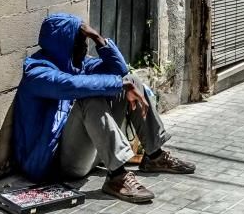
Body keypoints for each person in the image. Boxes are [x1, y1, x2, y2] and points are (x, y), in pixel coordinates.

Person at [13, 14, 195, 204]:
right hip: (57, 163)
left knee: (132, 81)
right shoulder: (36, 72)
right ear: (64, 46)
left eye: (86, 43)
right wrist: (119, 84)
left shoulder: (78, 63)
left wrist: (99, 39)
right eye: (80, 44)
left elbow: (121, 71)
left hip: (89, 154)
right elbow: (72, 85)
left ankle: (154, 156)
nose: (85, 49)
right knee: (90, 97)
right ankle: (117, 178)